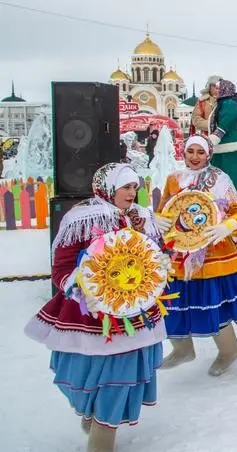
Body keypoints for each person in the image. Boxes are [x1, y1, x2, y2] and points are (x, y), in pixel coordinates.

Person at [24, 163, 164, 452]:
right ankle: (94, 416)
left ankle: (101, 441)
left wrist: (161, 264)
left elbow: (155, 257)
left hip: (133, 315)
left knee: (118, 381)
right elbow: (61, 266)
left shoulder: (140, 217)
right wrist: (81, 286)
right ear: (108, 187)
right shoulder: (82, 218)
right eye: (125, 186)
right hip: (91, 316)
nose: (131, 192)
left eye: (135, 187)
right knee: (86, 375)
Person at [154, 135, 237, 376]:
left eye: (200, 152)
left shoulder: (220, 178)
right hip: (180, 253)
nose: (195, 157)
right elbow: (165, 208)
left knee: (213, 305)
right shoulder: (174, 179)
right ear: (184, 152)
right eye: (191, 151)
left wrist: (228, 226)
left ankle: (229, 351)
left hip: (213, 252)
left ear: (208, 154)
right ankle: (183, 349)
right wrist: (156, 220)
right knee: (174, 303)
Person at [208, 79, 237, 198]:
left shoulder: (229, 103)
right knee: (221, 173)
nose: (215, 90)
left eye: (218, 88)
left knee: (232, 173)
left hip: (229, 144)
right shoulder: (222, 103)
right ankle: (223, 196)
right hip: (222, 145)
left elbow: (226, 122)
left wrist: (214, 137)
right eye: (214, 88)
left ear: (224, 89)